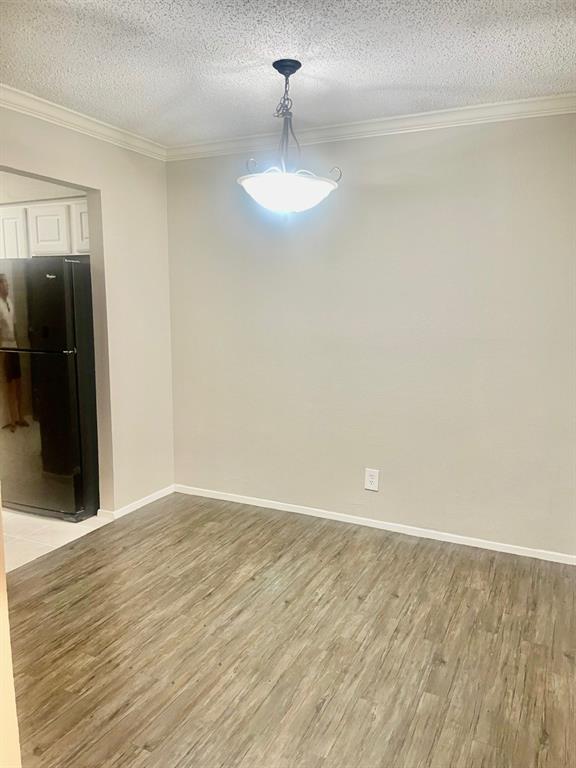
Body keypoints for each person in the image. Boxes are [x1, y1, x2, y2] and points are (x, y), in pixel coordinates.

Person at [0, 273, 27, 432]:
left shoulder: (10, 302)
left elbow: (14, 328)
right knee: (9, 385)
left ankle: (21, 417)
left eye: (7, 284)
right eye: (4, 284)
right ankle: (11, 421)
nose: (7, 287)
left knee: (19, 383)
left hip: (15, 347)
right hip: (6, 348)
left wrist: (19, 346)